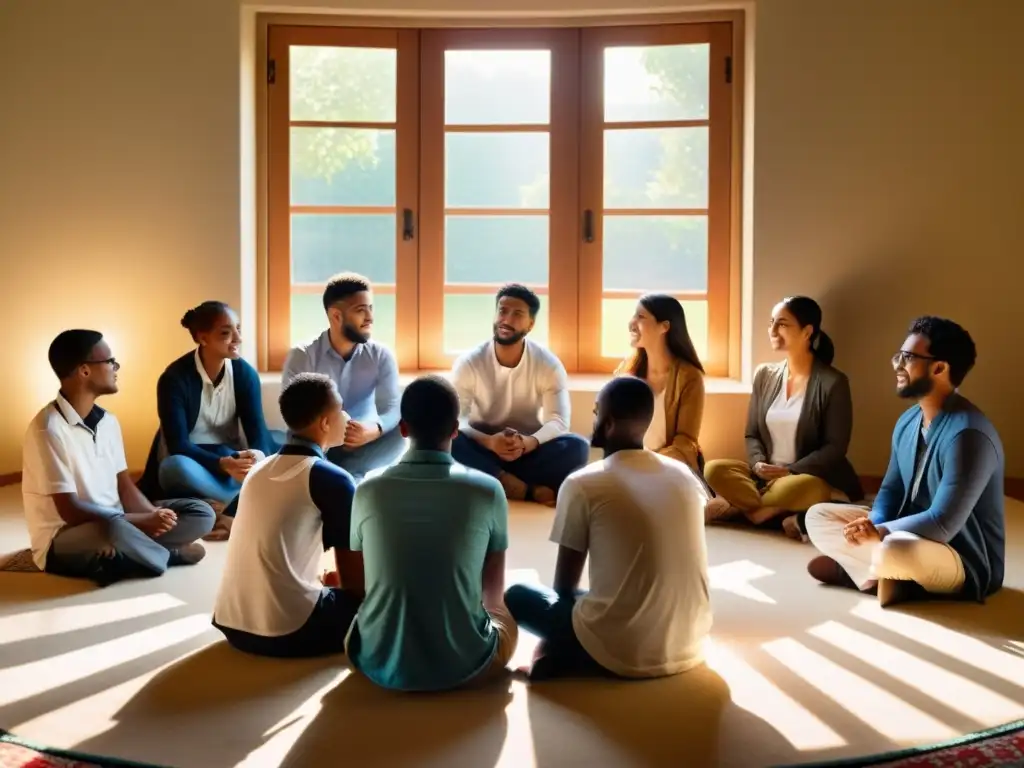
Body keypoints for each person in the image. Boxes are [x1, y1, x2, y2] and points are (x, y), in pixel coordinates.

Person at [504, 376, 711, 680]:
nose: (594, 419)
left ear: (609, 423)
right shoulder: (683, 475)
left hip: (623, 650)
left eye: (597, 412)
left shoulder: (584, 483)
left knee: (518, 595)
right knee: (615, 594)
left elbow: (564, 587)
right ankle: (564, 654)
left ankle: (568, 655)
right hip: (691, 644)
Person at [805, 317, 1004, 607]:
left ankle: (870, 570)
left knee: (897, 549)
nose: (897, 364)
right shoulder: (908, 421)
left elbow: (943, 523)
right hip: (902, 532)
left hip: (958, 554)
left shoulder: (969, 434)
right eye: (898, 356)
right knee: (817, 516)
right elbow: (890, 491)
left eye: (907, 358)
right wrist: (871, 524)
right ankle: (882, 576)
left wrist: (881, 533)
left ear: (939, 368)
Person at [346, 375, 517, 691]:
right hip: (468, 664)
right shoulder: (488, 490)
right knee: (509, 607)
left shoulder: (367, 488)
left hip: (377, 659)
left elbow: (360, 586)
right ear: (455, 429)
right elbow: (493, 592)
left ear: (403, 429)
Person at [22, 330, 214, 586]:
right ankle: (163, 555)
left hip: (119, 520)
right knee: (112, 529)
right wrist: (139, 521)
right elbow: (70, 510)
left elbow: (124, 486)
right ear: (84, 371)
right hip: (69, 535)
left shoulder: (109, 422)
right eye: (110, 361)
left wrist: (155, 516)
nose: (116, 367)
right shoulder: (48, 429)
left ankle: (126, 556)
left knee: (202, 513)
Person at [212, 373, 363, 657]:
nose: (347, 415)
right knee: (377, 599)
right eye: (340, 408)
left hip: (232, 624)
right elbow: (354, 582)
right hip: (289, 630)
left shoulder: (259, 469)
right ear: (325, 423)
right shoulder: (332, 479)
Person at [704, 296, 863, 537]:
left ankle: (741, 508)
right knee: (714, 469)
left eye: (783, 324)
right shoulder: (765, 374)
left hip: (802, 476)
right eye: (772, 323)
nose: (773, 330)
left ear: (807, 332)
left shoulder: (833, 382)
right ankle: (765, 511)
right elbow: (752, 433)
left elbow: (835, 447)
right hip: (763, 477)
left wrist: (790, 471)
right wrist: (757, 464)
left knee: (807, 488)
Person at [139, 301, 279, 539]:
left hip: (231, 461)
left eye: (238, 329)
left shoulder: (244, 374)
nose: (237, 338)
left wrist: (254, 459)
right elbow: (178, 446)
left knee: (282, 443)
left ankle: (222, 505)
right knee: (174, 468)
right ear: (203, 339)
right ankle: (247, 502)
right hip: (196, 462)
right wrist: (223, 464)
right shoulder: (174, 378)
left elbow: (257, 432)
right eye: (226, 333)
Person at [451, 284, 590, 506]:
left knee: (578, 446)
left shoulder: (548, 364)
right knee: (450, 440)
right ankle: (524, 489)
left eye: (517, 314)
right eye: (502, 311)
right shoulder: (469, 362)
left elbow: (559, 420)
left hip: (526, 452)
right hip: (482, 448)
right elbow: (457, 418)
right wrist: (488, 442)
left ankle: (495, 479)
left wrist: (529, 443)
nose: (506, 319)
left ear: (531, 324)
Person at [283, 273, 404, 481]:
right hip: (319, 442)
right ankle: (343, 477)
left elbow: (392, 406)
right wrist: (332, 434)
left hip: (361, 442)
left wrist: (375, 429)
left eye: (371, 308)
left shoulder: (381, 355)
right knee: (296, 440)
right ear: (336, 316)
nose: (370, 318)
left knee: (401, 432)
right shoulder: (303, 355)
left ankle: (344, 475)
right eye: (360, 310)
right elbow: (295, 414)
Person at [615, 294, 706, 474]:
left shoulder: (689, 376)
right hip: (630, 465)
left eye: (641, 317)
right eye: (634, 315)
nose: (631, 323)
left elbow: (685, 442)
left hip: (671, 468)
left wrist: (647, 463)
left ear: (664, 326)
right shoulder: (626, 370)